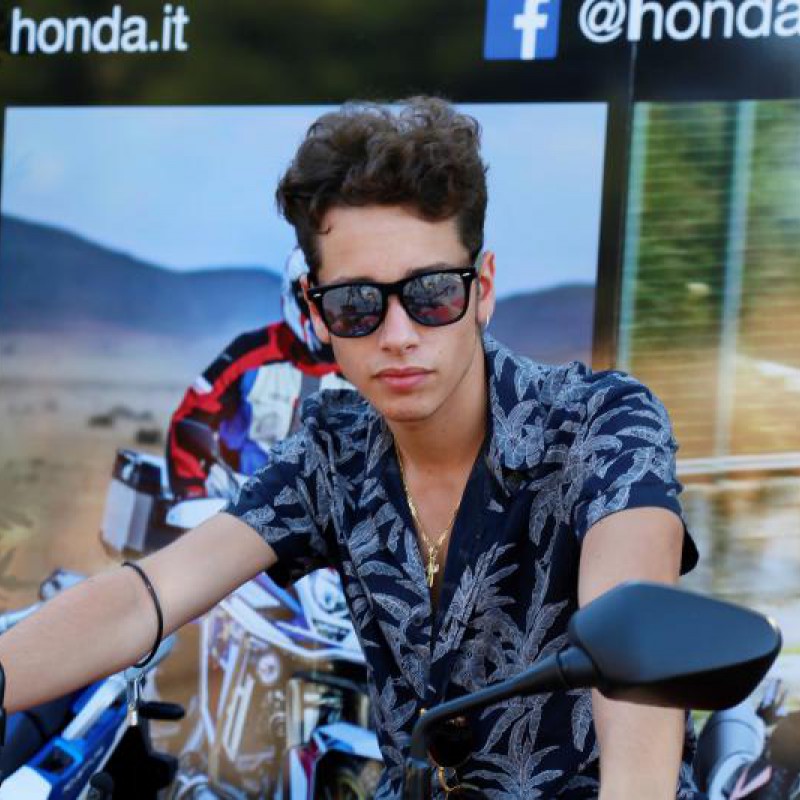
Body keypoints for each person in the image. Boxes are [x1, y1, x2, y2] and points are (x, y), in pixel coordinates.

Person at [0, 97, 703, 799]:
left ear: (482, 289)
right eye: (356, 305)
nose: (397, 335)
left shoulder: (602, 422)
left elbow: (633, 632)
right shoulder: (331, 454)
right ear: (317, 314)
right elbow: (145, 598)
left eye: (432, 294)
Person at [166, 248, 346, 498]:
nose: (324, 311)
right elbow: (192, 419)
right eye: (312, 297)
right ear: (293, 294)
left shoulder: (363, 368)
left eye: (337, 299)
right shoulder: (250, 352)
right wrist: (192, 496)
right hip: (236, 502)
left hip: (328, 513)